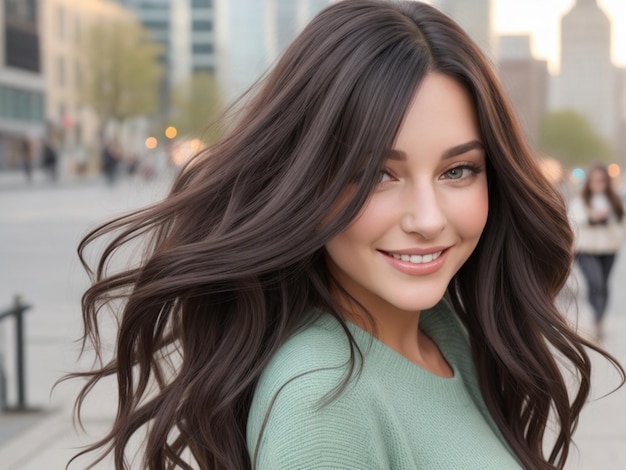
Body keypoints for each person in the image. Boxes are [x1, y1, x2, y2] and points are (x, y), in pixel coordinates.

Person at [67, 1, 624, 469]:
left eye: (458, 171)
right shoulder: (324, 405)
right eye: (378, 174)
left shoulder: (440, 331)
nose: (428, 218)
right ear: (304, 180)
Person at [569, 163, 625, 341]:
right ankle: (596, 315)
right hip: (585, 249)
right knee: (596, 283)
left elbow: (620, 222)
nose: (597, 184)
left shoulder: (615, 200)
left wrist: (609, 218)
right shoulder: (580, 200)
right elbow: (573, 220)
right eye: (594, 180)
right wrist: (592, 218)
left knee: (604, 284)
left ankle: (599, 319)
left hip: (608, 248)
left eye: (601, 180)